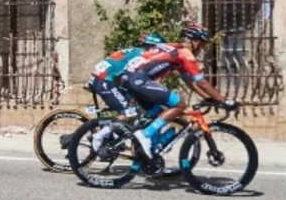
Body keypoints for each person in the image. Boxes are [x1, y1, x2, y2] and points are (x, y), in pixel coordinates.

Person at [119, 23, 236, 158]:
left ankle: (146, 148)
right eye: (202, 45)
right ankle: (144, 135)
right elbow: (201, 82)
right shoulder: (185, 53)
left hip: (128, 78)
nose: (202, 49)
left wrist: (207, 98)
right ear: (195, 41)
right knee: (180, 105)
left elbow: (190, 82)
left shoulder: (174, 49)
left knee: (159, 112)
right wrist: (224, 100)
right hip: (139, 79)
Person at [87, 33, 167, 151]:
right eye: (160, 50)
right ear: (153, 48)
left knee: (130, 105)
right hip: (104, 81)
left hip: (101, 78)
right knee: (128, 112)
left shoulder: (137, 51)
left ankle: (114, 135)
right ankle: (99, 136)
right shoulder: (143, 57)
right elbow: (130, 78)